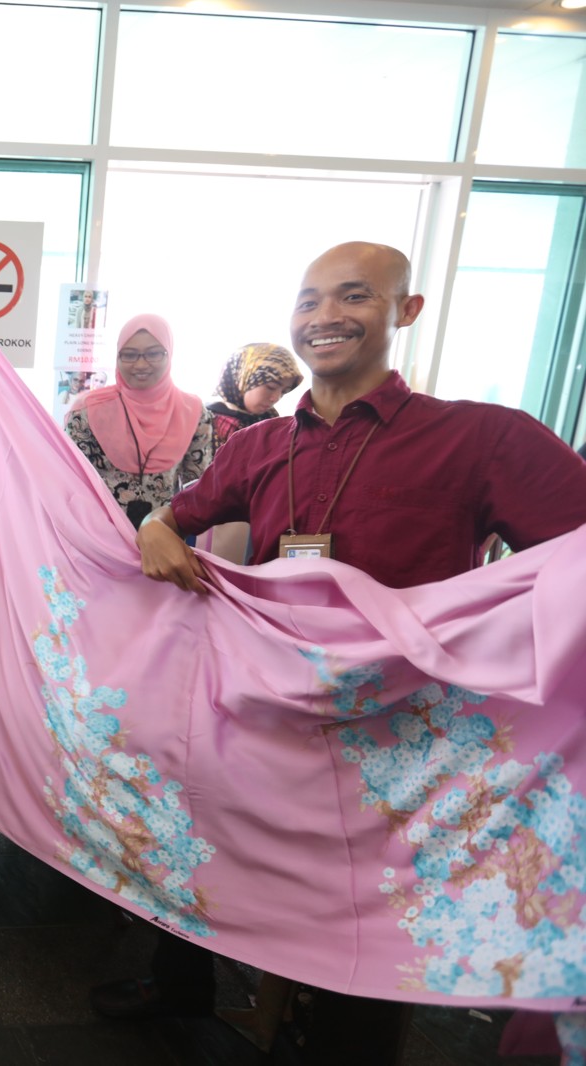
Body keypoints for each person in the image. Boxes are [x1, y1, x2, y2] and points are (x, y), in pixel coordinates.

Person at [106, 242, 586, 1062]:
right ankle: (181, 982)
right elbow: (176, 515)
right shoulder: (259, 446)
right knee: (185, 816)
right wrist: (155, 527)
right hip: (271, 710)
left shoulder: (480, 437)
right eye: (309, 300)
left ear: (407, 310)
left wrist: (497, 631)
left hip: (399, 739)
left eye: (354, 296)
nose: (325, 316)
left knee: (372, 918)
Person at [63, 313, 216, 529]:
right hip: (96, 534)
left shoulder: (193, 412)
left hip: (162, 536)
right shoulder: (87, 411)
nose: (141, 364)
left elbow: (196, 488)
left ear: (169, 354)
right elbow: (71, 481)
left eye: (153, 354)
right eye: (129, 355)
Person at [206, 342, 304, 451]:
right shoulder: (207, 422)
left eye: (284, 391)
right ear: (243, 378)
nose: (276, 398)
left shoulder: (271, 418)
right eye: (271, 387)